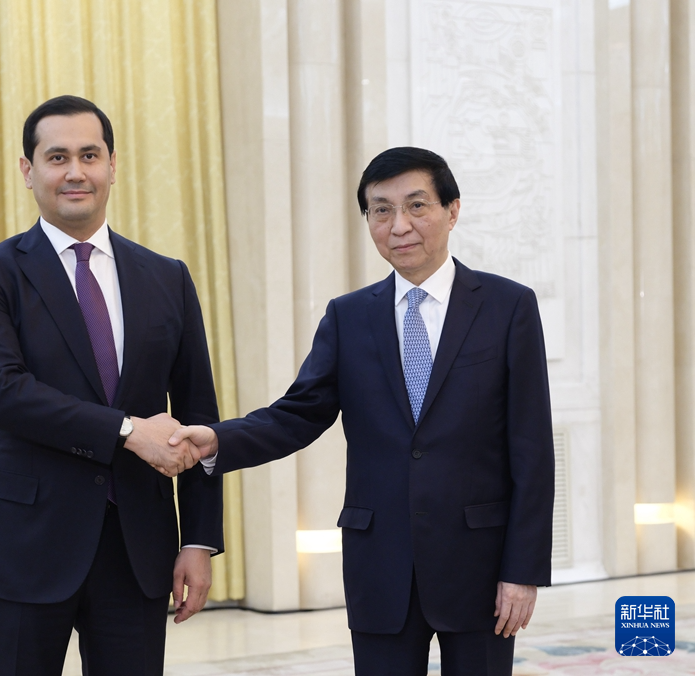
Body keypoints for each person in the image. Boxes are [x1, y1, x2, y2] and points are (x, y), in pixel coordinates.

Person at [170, 147, 555, 676]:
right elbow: (298, 414)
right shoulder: (349, 317)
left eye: (416, 206)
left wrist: (523, 570)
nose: (399, 226)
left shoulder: (508, 307)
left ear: (452, 210)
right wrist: (219, 439)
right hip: (380, 562)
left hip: (480, 563)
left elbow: (532, 448)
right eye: (381, 210)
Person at [0, 94, 223, 676]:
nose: (76, 171)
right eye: (58, 157)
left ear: (112, 166)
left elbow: (199, 413)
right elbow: (2, 392)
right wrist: (127, 431)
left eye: (90, 155)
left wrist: (199, 540)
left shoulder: (167, 277)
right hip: (26, 544)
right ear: (28, 171)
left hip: (137, 548)